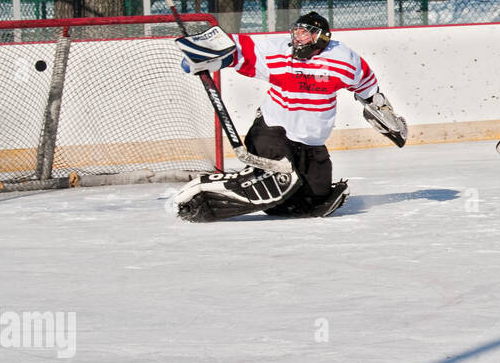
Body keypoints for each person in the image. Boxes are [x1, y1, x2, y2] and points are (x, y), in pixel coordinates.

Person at [171, 12, 409, 221]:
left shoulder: (343, 59)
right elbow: (238, 49)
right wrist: (207, 53)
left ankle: (276, 197)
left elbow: (367, 87)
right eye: (296, 32)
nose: (297, 38)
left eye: (305, 34)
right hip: (273, 133)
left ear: (322, 37)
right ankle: (207, 190)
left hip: (311, 144)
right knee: (275, 181)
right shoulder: (278, 52)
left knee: (314, 196)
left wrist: (383, 113)